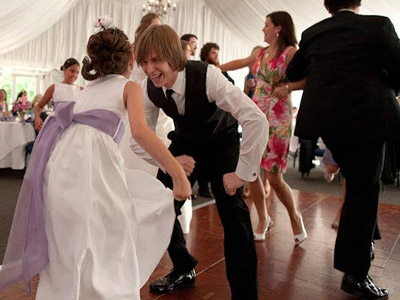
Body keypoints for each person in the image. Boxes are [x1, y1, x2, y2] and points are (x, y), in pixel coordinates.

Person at [0, 19, 191, 299]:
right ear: (131, 59)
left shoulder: (86, 91)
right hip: (94, 170)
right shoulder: (129, 87)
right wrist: (176, 171)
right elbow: (140, 132)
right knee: (111, 235)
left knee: (68, 239)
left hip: (62, 169)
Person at [132, 24, 268, 299]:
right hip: (186, 144)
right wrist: (171, 160)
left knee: (234, 218)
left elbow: (256, 119)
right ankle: (183, 268)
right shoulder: (148, 89)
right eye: (144, 62)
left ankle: (245, 295)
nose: (150, 69)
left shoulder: (209, 76)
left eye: (156, 60)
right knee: (161, 207)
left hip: (222, 141)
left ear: (173, 55)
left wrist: (242, 174)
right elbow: (139, 138)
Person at [286, 0, 400, 298]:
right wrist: (385, 84)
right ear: (358, 2)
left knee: (359, 185)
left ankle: (362, 247)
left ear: (328, 6)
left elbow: (293, 70)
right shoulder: (378, 25)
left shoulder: (314, 32)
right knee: (364, 189)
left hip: (328, 122)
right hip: (369, 118)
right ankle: (355, 274)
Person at [218, 11, 307, 243]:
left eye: (266, 25)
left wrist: (288, 88)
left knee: (274, 177)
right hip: (255, 116)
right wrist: (214, 69)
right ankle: (263, 218)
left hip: (279, 118)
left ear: (278, 28)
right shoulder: (259, 52)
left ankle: (295, 217)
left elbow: (307, 80)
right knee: (251, 170)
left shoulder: (290, 53)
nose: (263, 29)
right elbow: (239, 63)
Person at [34, 58, 82, 131]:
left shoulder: (81, 89)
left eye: (77, 72)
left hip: (75, 128)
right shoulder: (54, 87)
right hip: (57, 127)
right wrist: (37, 118)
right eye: (72, 71)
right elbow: (39, 106)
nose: (74, 75)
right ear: (64, 69)